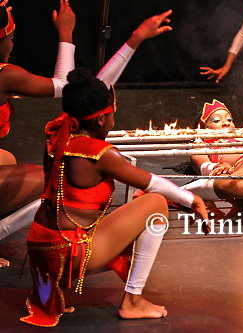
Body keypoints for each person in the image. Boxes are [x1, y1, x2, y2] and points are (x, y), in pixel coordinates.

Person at [20, 11, 209, 327]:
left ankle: (53, 292)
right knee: (156, 203)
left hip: (43, 251)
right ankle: (133, 300)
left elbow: (85, 90)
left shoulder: (60, 129)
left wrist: (134, 39)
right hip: (69, 254)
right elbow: (152, 182)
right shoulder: (99, 152)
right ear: (101, 119)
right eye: (113, 112)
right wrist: (195, 201)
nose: (114, 116)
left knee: (140, 201)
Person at [0, 0, 75, 267]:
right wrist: (66, 33)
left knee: (6, 158)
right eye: (11, 37)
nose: (12, 44)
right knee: (57, 181)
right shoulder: (5, 75)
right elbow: (64, 85)